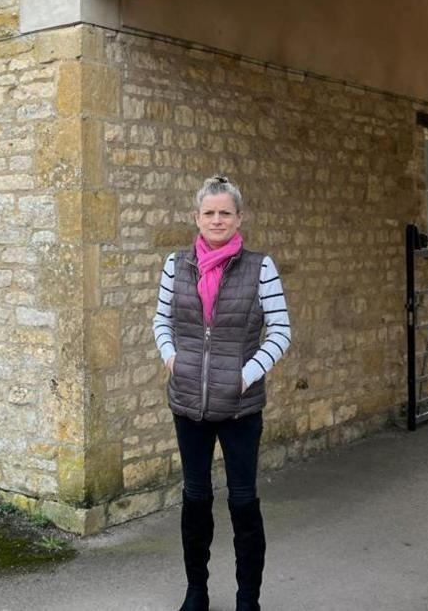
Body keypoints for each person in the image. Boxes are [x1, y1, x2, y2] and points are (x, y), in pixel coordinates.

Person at [152, 175, 292, 611]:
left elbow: (281, 332)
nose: (217, 220)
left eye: (225, 213)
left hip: (241, 409)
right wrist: (174, 360)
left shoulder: (260, 267)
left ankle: (247, 598)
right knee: (195, 500)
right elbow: (162, 322)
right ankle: (197, 591)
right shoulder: (176, 265)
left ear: (238, 218)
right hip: (188, 405)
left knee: (243, 502)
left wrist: (245, 375)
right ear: (196, 217)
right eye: (209, 212)